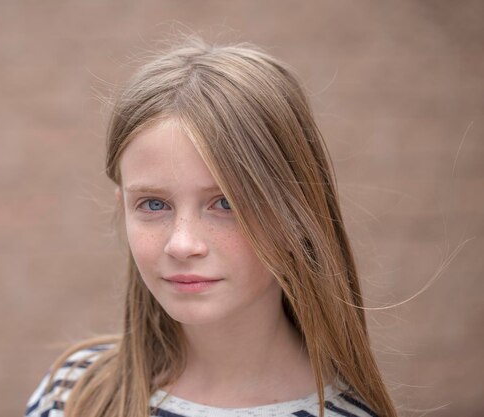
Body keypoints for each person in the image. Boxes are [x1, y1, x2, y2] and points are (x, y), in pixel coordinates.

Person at [24, 38, 397, 417]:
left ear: (297, 215)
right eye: (153, 204)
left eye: (227, 203)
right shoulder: (74, 394)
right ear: (122, 209)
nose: (182, 245)